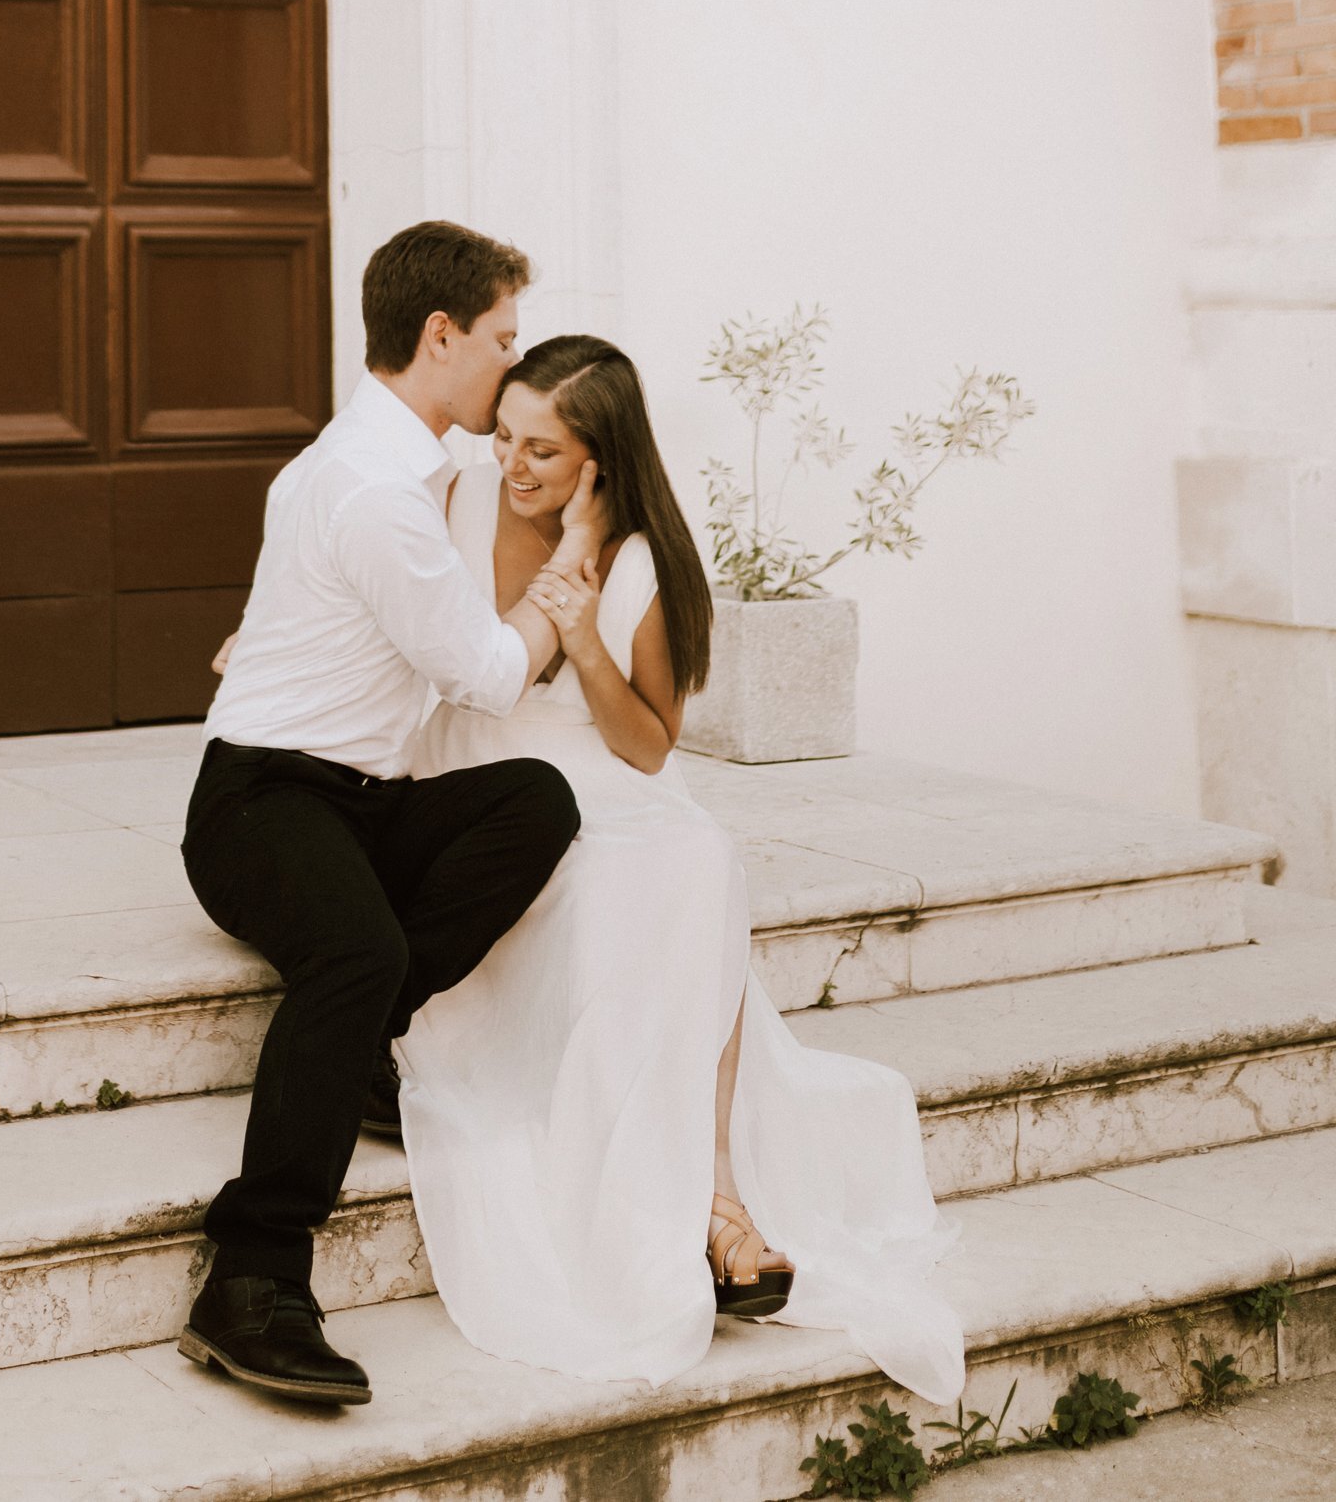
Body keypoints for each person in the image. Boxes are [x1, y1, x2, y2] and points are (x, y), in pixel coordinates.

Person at [398, 333, 965, 1403]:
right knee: (615, 883)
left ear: (599, 462)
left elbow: (649, 744)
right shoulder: (451, 504)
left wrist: (585, 632)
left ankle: (711, 1183)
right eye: (505, 438)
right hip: (481, 777)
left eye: (542, 452)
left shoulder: (648, 561)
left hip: (602, 776)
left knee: (689, 851)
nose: (510, 465)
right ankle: (705, 1200)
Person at [178, 222, 593, 1409]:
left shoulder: (391, 466)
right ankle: (249, 1277)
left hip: (349, 798)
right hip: (257, 803)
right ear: (439, 334)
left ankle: (358, 1057)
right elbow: (483, 668)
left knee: (532, 801)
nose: (512, 369)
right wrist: (561, 606)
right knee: (353, 949)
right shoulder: (371, 491)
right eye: (503, 340)